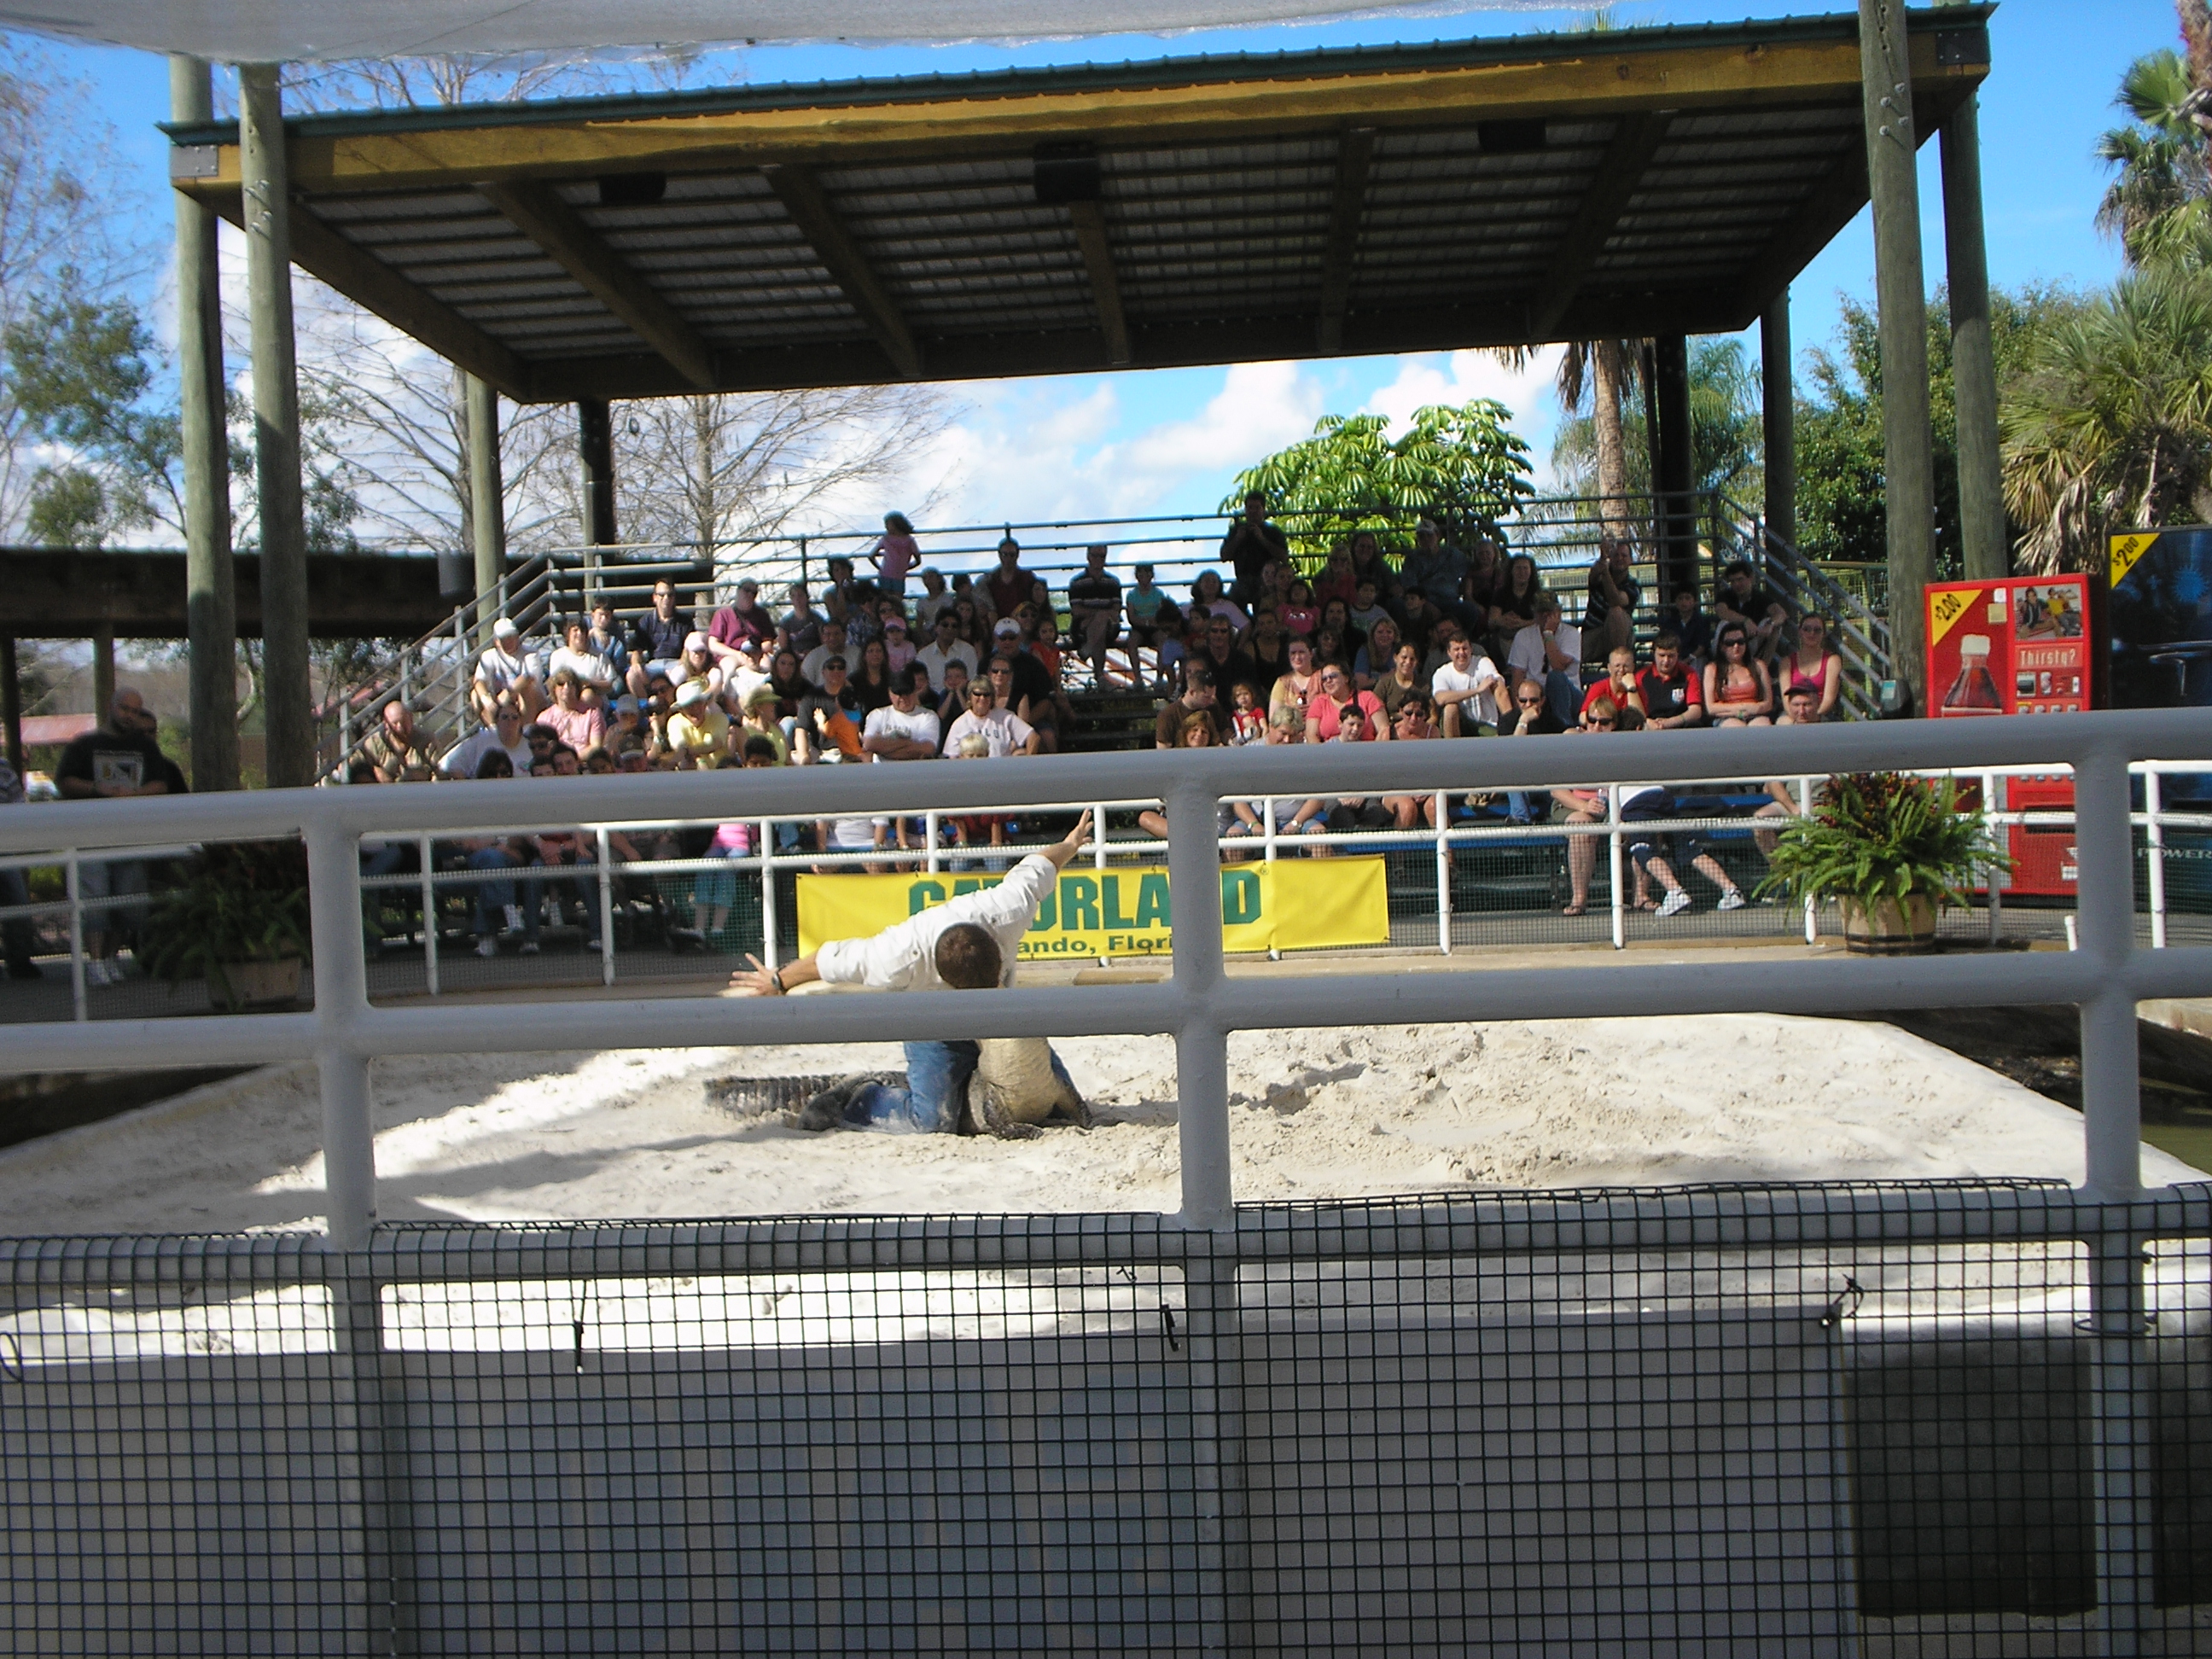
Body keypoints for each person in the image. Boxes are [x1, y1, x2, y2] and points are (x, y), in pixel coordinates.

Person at [731, 812, 1100, 1135]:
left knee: (1045, 1087)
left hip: (1000, 1016)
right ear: (945, 980)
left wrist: (1069, 844)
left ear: (997, 952)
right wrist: (778, 980)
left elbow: (1038, 866)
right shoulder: (897, 956)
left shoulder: (1006, 910)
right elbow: (830, 959)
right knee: (932, 1122)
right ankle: (862, 1097)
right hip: (932, 1022)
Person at [56, 688, 183, 987]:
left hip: (129, 837)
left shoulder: (146, 748)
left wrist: (133, 793)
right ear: (111, 707)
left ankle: (111, 957)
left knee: (129, 903)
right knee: (96, 899)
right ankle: (95, 961)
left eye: (135, 711)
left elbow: (161, 784)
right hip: (92, 837)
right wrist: (96, 789)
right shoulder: (85, 745)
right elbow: (64, 781)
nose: (129, 716)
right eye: (125, 709)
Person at [1507, 592, 1584, 727]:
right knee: (1528, 691)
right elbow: (1518, 676)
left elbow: (1558, 665)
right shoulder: (1523, 636)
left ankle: (1564, 726)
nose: (1545, 616)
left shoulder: (1571, 634)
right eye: (1541, 612)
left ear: (1558, 611)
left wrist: (1548, 634)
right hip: (1536, 696)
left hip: (1568, 694)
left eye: (1550, 612)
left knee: (1556, 677)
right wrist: (1517, 712)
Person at [1430, 632, 1508, 737]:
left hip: (1486, 724)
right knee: (1450, 708)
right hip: (1461, 724)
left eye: (1465, 648)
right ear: (1449, 653)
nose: (1461, 653)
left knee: (1498, 685)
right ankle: (1451, 746)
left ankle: (1509, 729)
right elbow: (1440, 699)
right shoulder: (1442, 673)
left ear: (1471, 649)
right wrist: (1477, 690)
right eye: (1457, 649)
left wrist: (1509, 721)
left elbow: (1500, 688)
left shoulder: (1483, 663)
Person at [1066, 544, 1122, 684]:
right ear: (1088, 556)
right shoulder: (1077, 582)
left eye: (1102, 556)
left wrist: (1095, 617)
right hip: (1083, 627)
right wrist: (1099, 616)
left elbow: (1116, 610)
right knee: (1100, 628)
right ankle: (1100, 676)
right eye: (1095, 556)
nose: (1098, 559)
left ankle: (1089, 648)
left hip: (1101, 626)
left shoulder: (1113, 582)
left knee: (1101, 623)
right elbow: (1076, 611)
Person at [1219, 491, 1288, 606]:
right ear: (1245, 509)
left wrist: (1263, 539)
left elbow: (1284, 556)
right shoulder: (1236, 530)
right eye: (1250, 508)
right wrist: (1238, 539)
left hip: (1267, 582)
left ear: (1263, 510)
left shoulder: (1273, 531)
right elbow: (1224, 556)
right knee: (1232, 602)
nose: (1253, 511)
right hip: (1243, 580)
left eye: (1257, 508)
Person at [943, 675, 1039, 757]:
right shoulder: (959, 723)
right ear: (970, 697)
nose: (982, 698)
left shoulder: (1006, 717)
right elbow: (952, 756)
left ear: (992, 697)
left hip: (1001, 770)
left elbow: (1033, 737)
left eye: (986, 694)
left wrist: (1028, 762)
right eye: (977, 694)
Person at [442, 693, 532, 778]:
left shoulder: (531, 746)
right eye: (504, 717)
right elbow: (448, 763)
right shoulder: (482, 740)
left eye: (515, 717)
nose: (510, 721)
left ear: (521, 722)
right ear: (497, 722)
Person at [1715, 560, 1788, 661]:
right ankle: (1721, 664)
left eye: (1740, 579)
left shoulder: (1760, 597)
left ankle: (1763, 666)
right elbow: (1722, 612)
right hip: (1728, 644)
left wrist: (1770, 624)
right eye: (1733, 581)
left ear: (1751, 578)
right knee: (1723, 624)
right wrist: (1745, 621)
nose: (1736, 584)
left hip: (1750, 642)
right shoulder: (1725, 596)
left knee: (1775, 628)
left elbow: (1781, 613)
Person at [473, 617, 543, 722]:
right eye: (504, 639)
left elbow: (529, 677)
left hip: (525, 701)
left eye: (512, 637)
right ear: (496, 641)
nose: (509, 641)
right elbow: (478, 680)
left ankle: (526, 727)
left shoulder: (530, 653)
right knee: (475, 694)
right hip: (499, 702)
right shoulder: (489, 655)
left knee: (526, 689)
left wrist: (508, 693)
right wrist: (486, 699)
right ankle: (492, 727)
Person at [626, 581, 690, 695]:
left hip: (676, 663)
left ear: (674, 598)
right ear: (655, 598)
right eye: (662, 595)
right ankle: (646, 704)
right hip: (653, 665)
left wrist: (680, 666)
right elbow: (637, 650)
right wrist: (636, 664)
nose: (666, 598)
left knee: (685, 672)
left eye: (670, 595)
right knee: (632, 675)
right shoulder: (646, 621)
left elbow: (688, 649)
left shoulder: (685, 621)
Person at [1703, 625, 1775, 725]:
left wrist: (1755, 709)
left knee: (1763, 725)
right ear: (1722, 646)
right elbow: (1711, 708)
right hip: (1726, 717)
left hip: (1756, 714)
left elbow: (1768, 703)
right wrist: (1741, 709)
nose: (1736, 646)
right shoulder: (1712, 669)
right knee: (1736, 727)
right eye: (1730, 643)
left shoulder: (1758, 665)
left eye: (1741, 642)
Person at [1584, 533, 1642, 655]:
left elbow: (1616, 601)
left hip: (1620, 634)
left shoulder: (1633, 585)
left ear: (1630, 561)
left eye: (1624, 555)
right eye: (1616, 555)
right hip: (1593, 632)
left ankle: (1620, 659)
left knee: (1616, 612)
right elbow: (1593, 575)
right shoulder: (1599, 575)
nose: (1619, 558)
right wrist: (1603, 558)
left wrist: (1605, 572)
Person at [1778, 614, 1843, 719]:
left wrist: (1813, 717)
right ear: (1800, 631)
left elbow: (1828, 699)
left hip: (1821, 714)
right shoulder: (1787, 662)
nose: (1812, 633)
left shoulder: (1832, 660)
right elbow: (1786, 700)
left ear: (1824, 633)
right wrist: (1798, 717)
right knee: (1783, 723)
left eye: (1817, 630)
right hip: (1793, 715)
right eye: (1807, 629)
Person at [1636, 634, 1705, 730]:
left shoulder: (1689, 674)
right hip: (1650, 728)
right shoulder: (1641, 676)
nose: (1666, 661)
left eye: (1671, 656)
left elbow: (1695, 711)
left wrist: (1670, 722)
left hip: (1680, 728)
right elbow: (1635, 711)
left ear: (1678, 655)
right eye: (1662, 655)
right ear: (1654, 654)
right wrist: (1648, 722)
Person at [364, 698, 440, 782]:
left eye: (404, 721)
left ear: (411, 718)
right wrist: (377, 772)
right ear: (386, 724)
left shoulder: (427, 740)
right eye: (395, 723)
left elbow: (439, 773)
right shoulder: (374, 744)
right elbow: (360, 770)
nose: (400, 728)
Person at [547, 616, 616, 704]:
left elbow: (610, 684)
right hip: (565, 697)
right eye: (575, 630)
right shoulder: (558, 656)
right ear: (568, 634)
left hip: (595, 698)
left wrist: (591, 683)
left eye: (582, 631)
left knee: (587, 695)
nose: (579, 633)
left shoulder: (599, 655)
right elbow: (554, 683)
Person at [1154, 665, 1225, 748]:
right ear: (1192, 692)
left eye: (1212, 696)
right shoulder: (1168, 715)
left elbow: (1225, 733)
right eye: (1207, 697)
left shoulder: (1213, 707)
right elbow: (1163, 750)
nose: (1211, 701)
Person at [708, 578, 775, 663]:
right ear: (738, 591)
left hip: (756, 655)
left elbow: (768, 641)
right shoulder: (723, 614)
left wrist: (757, 651)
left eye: (754, 593)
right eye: (747, 590)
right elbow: (713, 644)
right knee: (729, 665)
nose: (750, 595)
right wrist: (736, 654)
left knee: (766, 665)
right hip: (730, 655)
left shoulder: (762, 614)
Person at [1580, 646, 1648, 724]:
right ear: (1609, 668)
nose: (1621, 670)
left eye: (1626, 666)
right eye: (1617, 666)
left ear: (1633, 667)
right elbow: (1582, 717)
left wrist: (1631, 689)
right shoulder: (1598, 687)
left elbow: (1640, 720)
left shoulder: (1638, 689)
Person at [916, 608, 979, 692]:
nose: (949, 629)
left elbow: (972, 681)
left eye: (954, 626)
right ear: (936, 628)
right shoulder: (923, 655)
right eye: (945, 625)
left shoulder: (968, 651)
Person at [983, 535, 1037, 623]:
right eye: (1005, 554)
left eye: (1012, 555)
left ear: (1017, 555)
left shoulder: (1027, 578)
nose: (1008, 559)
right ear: (999, 555)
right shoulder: (990, 580)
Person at [870, 510, 919, 597]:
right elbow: (918, 560)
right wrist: (906, 567)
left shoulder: (886, 539)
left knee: (885, 599)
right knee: (896, 600)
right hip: (899, 576)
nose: (886, 527)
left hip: (886, 575)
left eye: (888, 524)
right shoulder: (909, 540)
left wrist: (881, 569)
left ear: (896, 524)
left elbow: (871, 556)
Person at [778, 582, 825, 658]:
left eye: (800, 595)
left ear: (807, 597)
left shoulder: (817, 618)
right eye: (793, 596)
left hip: (815, 656)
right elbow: (783, 647)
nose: (797, 599)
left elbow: (824, 641)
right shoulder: (786, 622)